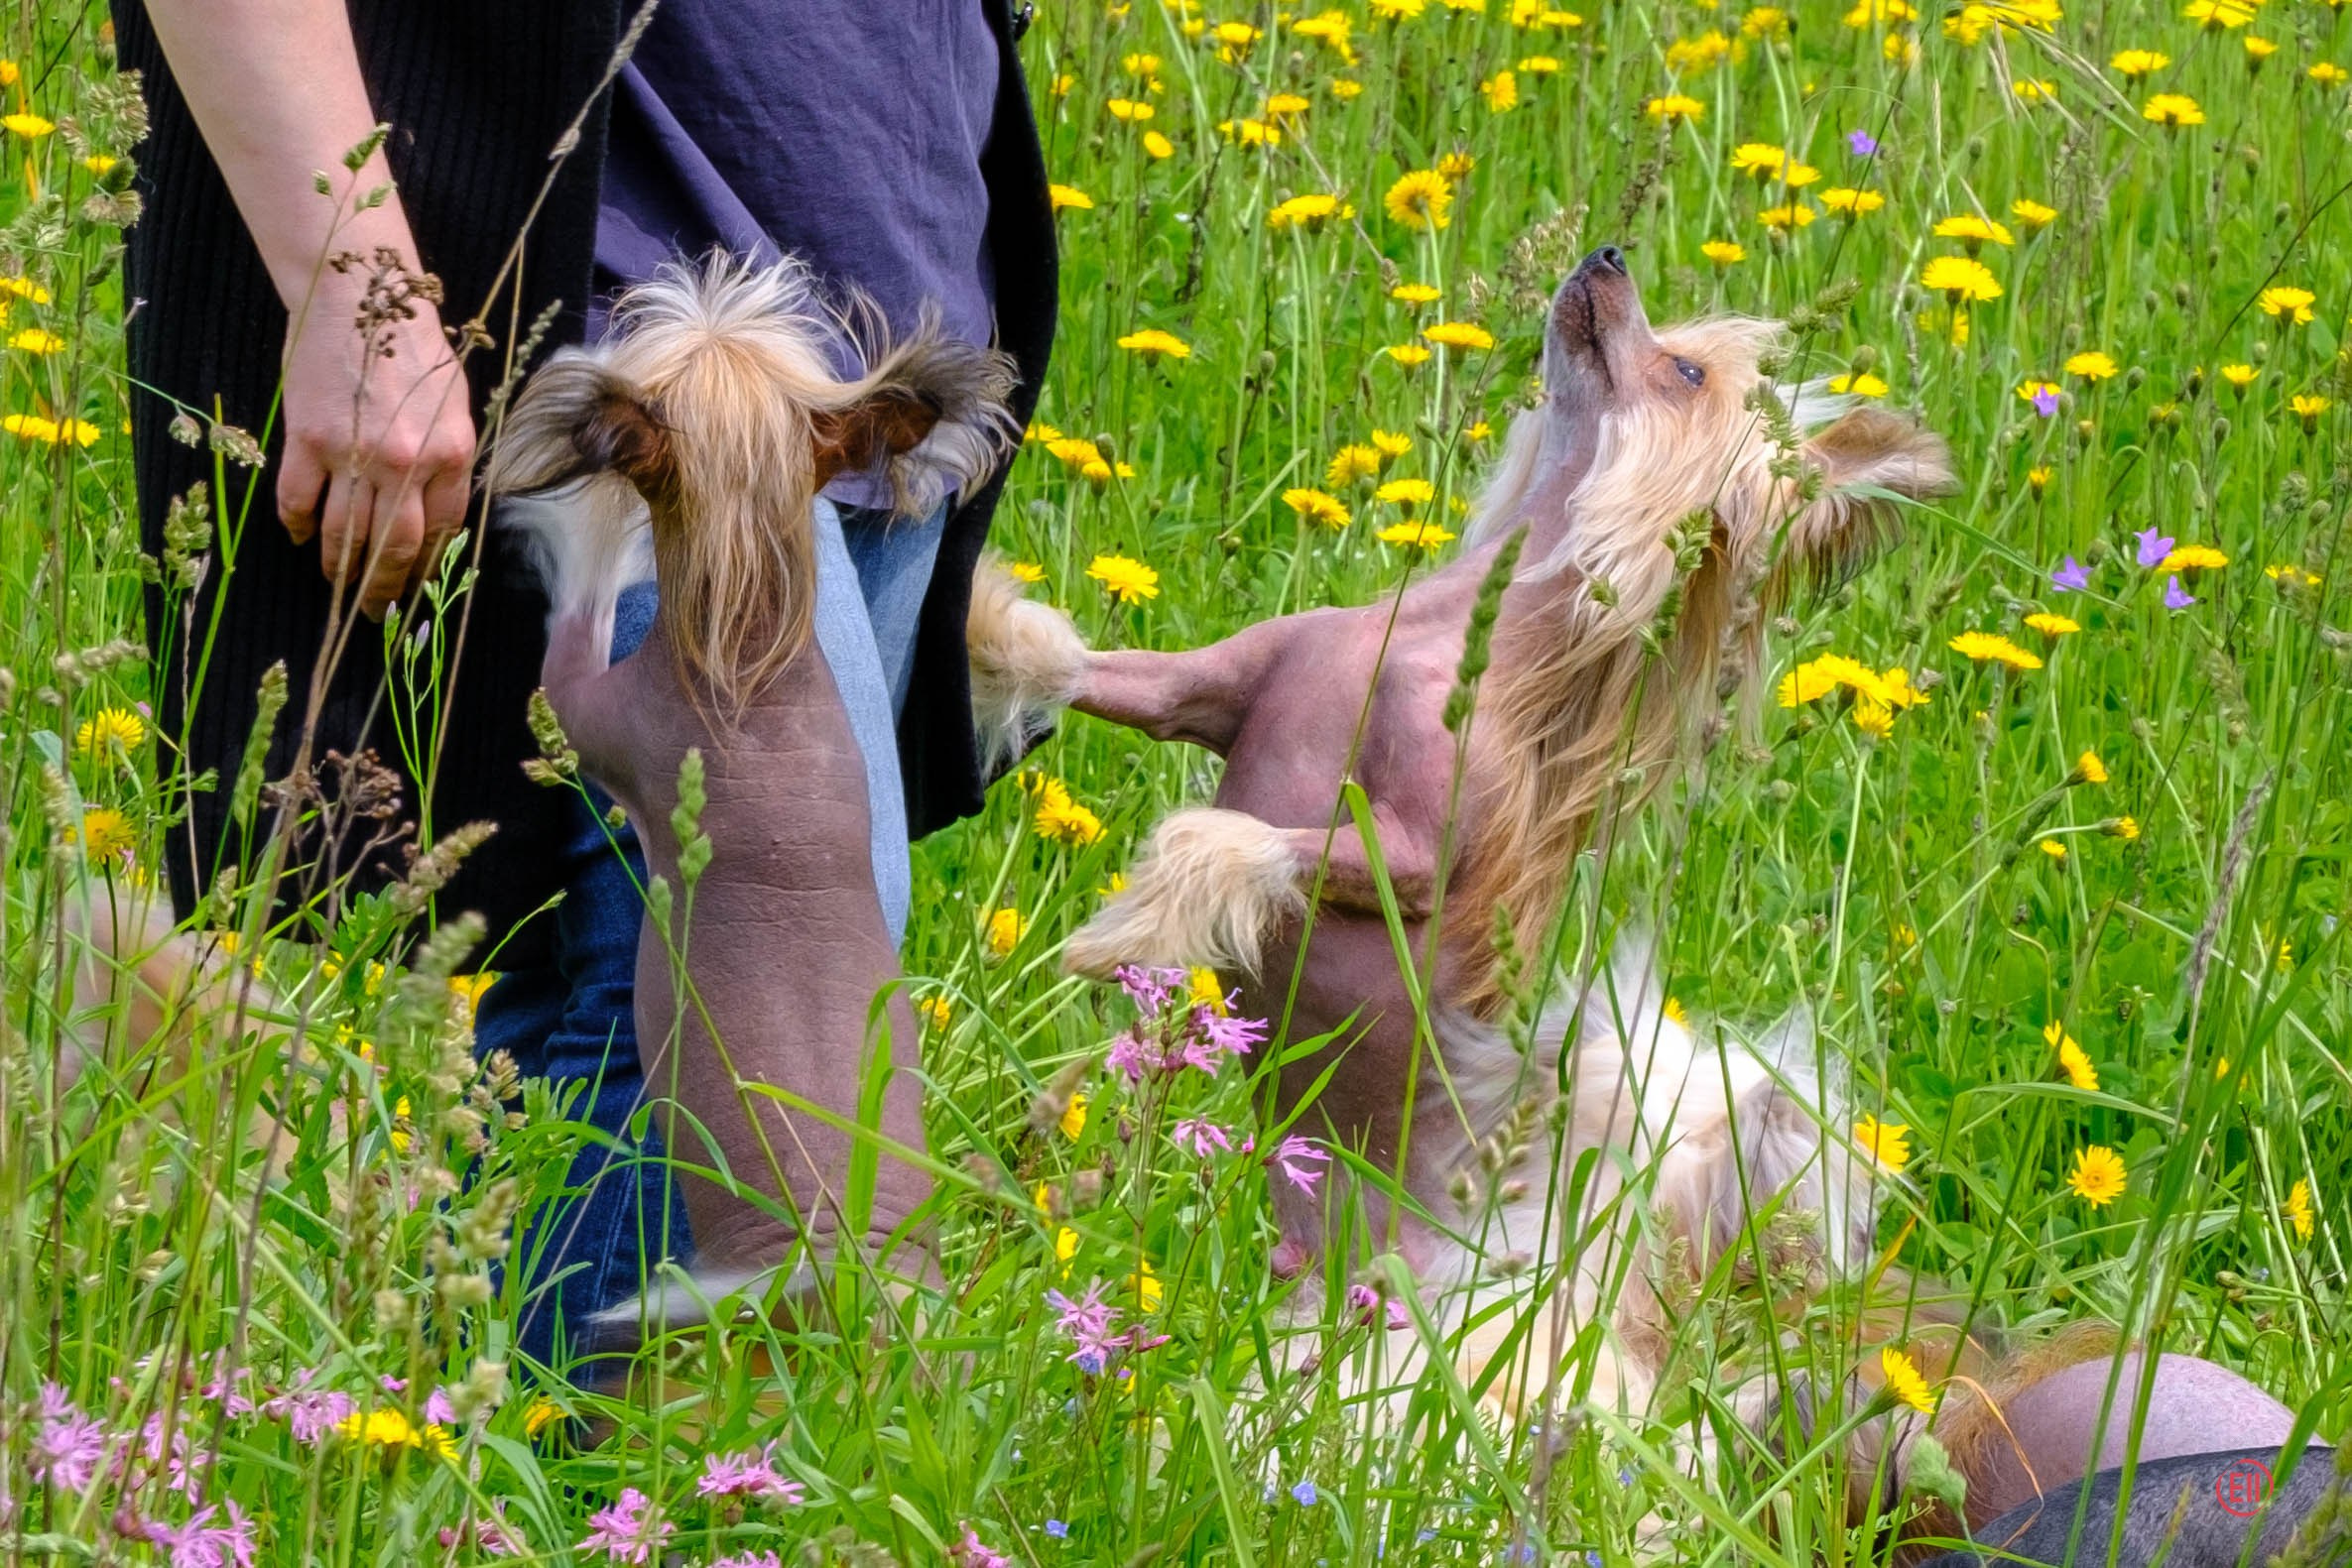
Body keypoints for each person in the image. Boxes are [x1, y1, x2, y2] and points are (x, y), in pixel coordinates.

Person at [114, 0, 1055, 1367]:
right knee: (677, 1010)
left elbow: (573, 717)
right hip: (628, 338)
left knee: (585, 1001)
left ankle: (483, 1424)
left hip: (876, 316)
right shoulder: (647, 429)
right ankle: (596, 1455)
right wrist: (359, 292)